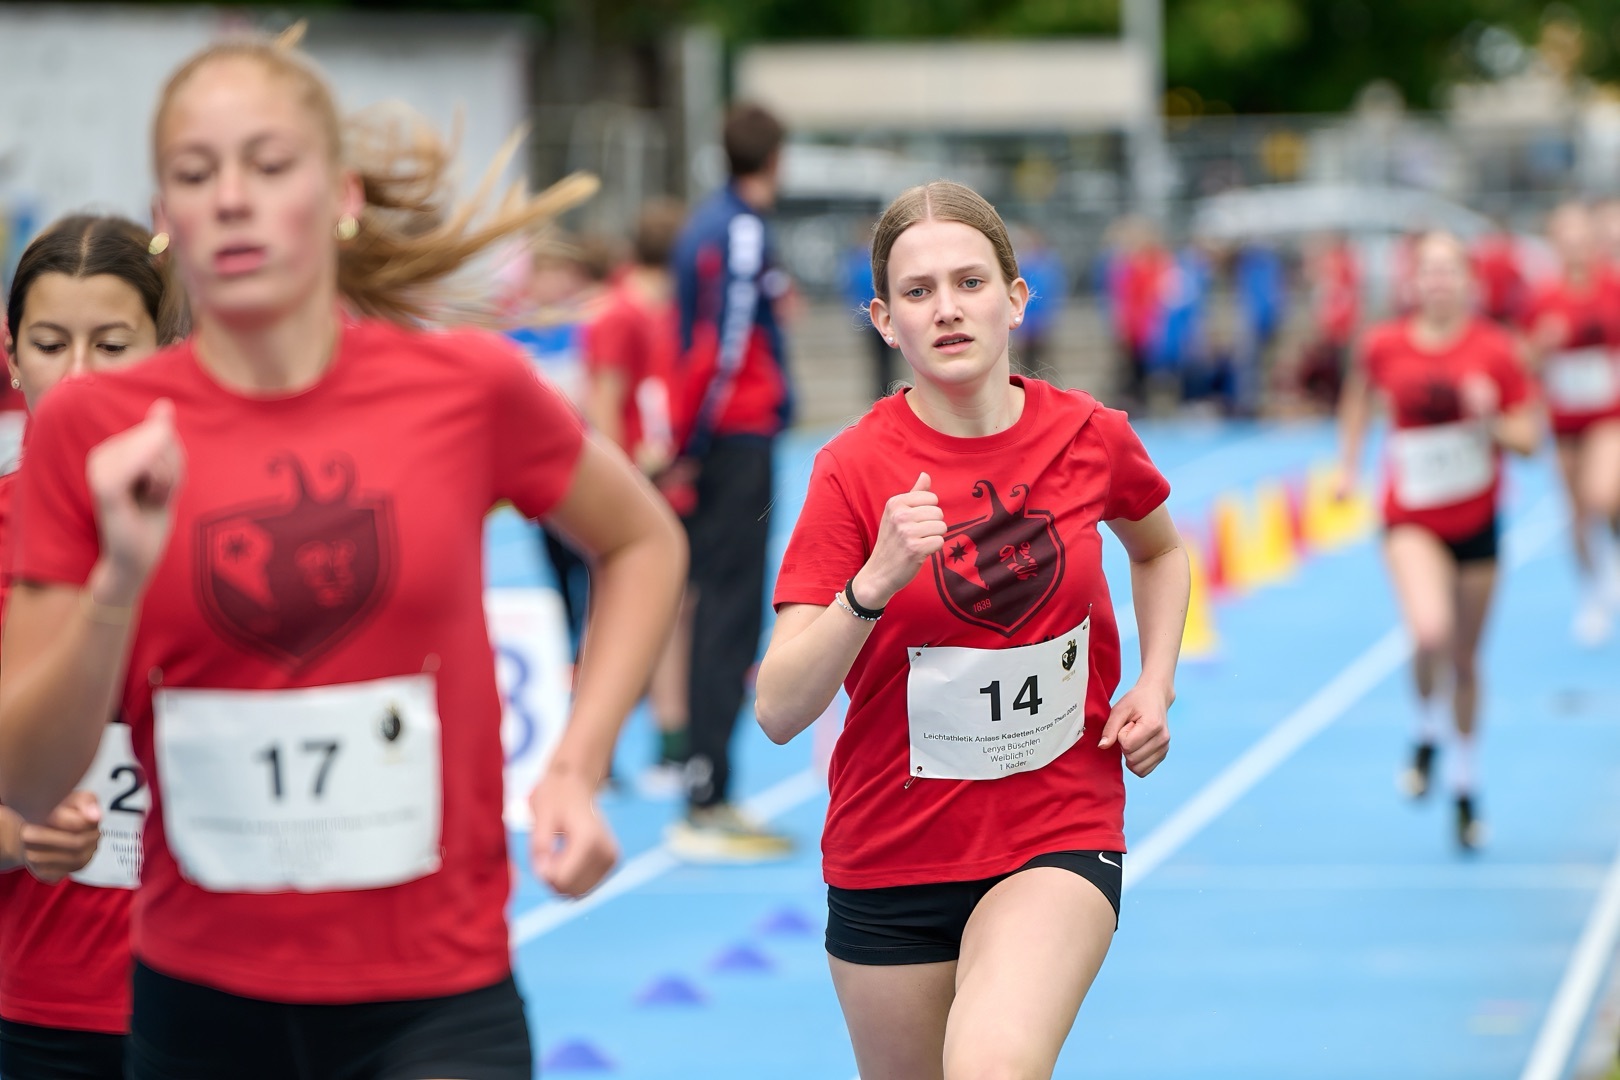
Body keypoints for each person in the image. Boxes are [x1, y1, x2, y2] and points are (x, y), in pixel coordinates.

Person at [0, 28, 686, 1079]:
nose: (233, 198)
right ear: (166, 216)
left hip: (435, 1000)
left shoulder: (467, 389)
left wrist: (576, 768)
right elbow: (29, 776)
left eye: (270, 165)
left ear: (341, 196)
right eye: (197, 173)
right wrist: (116, 587)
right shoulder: (93, 433)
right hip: (199, 1005)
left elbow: (642, 540)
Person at [757, 181, 1188, 1080]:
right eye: (918, 292)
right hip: (891, 853)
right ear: (886, 321)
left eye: (969, 282)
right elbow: (779, 708)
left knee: (993, 1065)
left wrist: (1155, 682)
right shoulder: (850, 471)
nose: (947, 308)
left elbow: (1160, 551)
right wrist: (871, 585)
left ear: (1016, 298)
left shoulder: (1091, 437)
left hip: (1057, 827)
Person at [0, 213, 184, 1080]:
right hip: (45, 1008)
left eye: (111, 345)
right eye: (49, 344)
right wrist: (15, 832)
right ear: (10, 356)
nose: (77, 377)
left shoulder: (232, 527)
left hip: (224, 998)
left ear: (168, 351)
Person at [1338, 231, 1539, 851]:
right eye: (1428, 269)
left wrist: (1490, 420)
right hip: (1412, 519)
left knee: (1467, 661)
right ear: (1413, 280)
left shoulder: (1497, 349)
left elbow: (1530, 440)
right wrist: (1348, 466)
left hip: (1478, 523)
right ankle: (1426, 728)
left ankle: (1464, 786)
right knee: (1430, 631)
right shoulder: (1384, 344)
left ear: (1468, 282)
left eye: (1450, 270)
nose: (1439, 280)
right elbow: (1357, 399)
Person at [666, 103, 795, 860]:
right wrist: (692, 441)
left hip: (722, 432)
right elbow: (721, 342)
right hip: (733, 436)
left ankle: (705, 781)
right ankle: (706, 793)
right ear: (776, 157)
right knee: (729, 614)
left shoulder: (709, 223)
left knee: (719, 609)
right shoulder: (740, 229)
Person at [579, 198, 693, 793]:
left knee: (673, 609)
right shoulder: (620, 314)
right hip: (631, 486)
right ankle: (593, 754)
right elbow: (603, 403)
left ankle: (669, 741)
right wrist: (623, 482)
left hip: (660, 478)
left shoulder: (663, 309)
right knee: (613, 616)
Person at [1524, 201, 1620, 646]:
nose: (1576, 247)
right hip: (1564, 420)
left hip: (1608, 415)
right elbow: (1521, 362)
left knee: (1601, 493)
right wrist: (1541, 345)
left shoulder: (1612, 287)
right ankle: (1592, 589)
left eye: (1582, 238)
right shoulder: (1543, 297)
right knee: (1576, 514)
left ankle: (1613, 556)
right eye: (1567, 239)